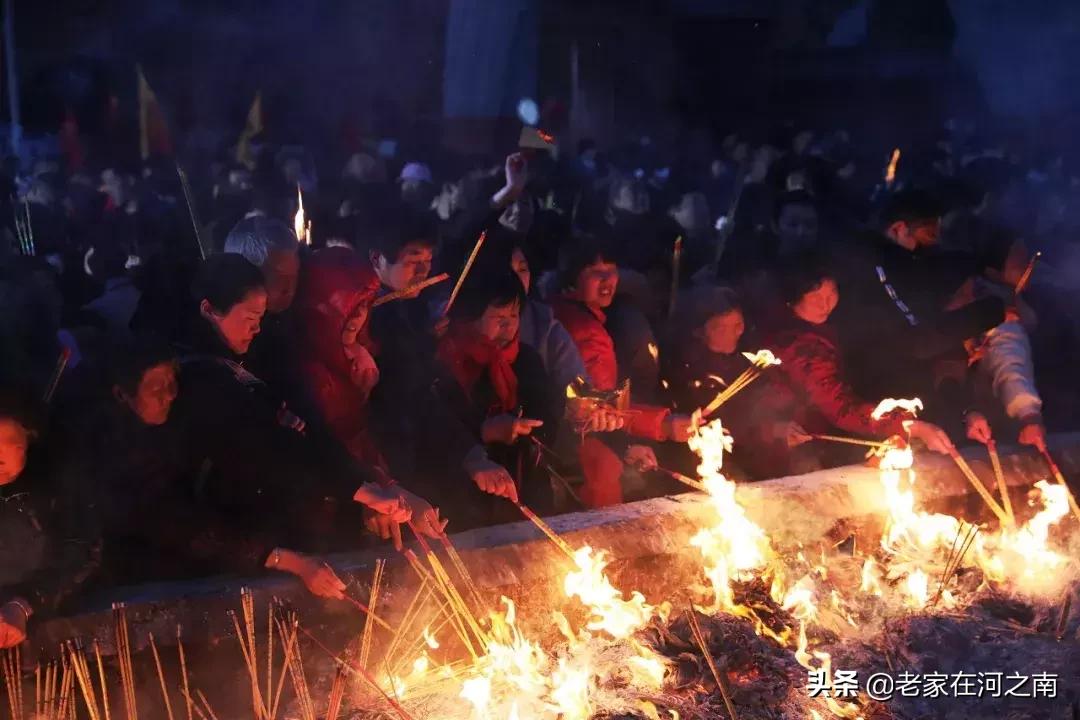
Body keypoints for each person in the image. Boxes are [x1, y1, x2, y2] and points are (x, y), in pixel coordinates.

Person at [171, 255, 416, 584]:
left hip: (283, 527)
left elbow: (308, 430)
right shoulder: (197, 380)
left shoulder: (259, 355)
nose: (257, 328)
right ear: (208, 309)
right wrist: (363, 491)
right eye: (249, 318)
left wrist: (367, 484)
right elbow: (271, 453)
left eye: (261, 317)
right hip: (234, 549)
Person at [293, 247, 446, 546]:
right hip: (321, 521)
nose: (357, 316)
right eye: (346, 307)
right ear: (319, 308)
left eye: (363, 305)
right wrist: (378, 491)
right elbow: (324, 451)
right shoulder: (306, 375)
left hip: (369, 498)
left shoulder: (363, 362)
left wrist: (391, 491)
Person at [766, 261, 957, 473]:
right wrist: (909, 426)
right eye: (815, 298)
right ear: (794, 299)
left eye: (831, 294)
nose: (825, 305)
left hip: (833, 432)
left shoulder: (828, 323)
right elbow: (838, 406)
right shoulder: (799, 345)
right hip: (805, 443)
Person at [551, 239, 692, 506]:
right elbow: (600, 410)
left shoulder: (567, 312)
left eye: (611, 269)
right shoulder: (585, 331)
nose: (607, 279)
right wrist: (660, 425)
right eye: (595, 272)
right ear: (572, 277)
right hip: (585, 455)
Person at [433, 269, 559, 527]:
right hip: (464, 502)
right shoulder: (447, 361)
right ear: (471, 317)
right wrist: (484, 431)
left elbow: (548, 415)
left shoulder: (526, 360)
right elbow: (438, 425)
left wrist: (523, 427)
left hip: (525, 489)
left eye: (514, 316)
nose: (508, 325)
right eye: (498, 316)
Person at [666, 286, 809, 479]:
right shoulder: (688, 370)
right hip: (711, 461)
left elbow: (764, 405)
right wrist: (772, 431)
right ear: (699, 331)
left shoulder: (748, 361)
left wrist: (783, 426)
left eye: (737, 325)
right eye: (720, 328)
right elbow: (722, 424)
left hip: (756, 454)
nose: (732, 334)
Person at [0, 393, 98, 648]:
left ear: (28, 438)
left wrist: (23, 604)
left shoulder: (55, 487)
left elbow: (81, 552)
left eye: (9, 443)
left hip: (52, 638)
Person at [223, 216, 302, 397]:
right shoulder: (241, 341)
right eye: (278, 278)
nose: (289, 289)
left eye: (294, 276)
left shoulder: (295, 317)